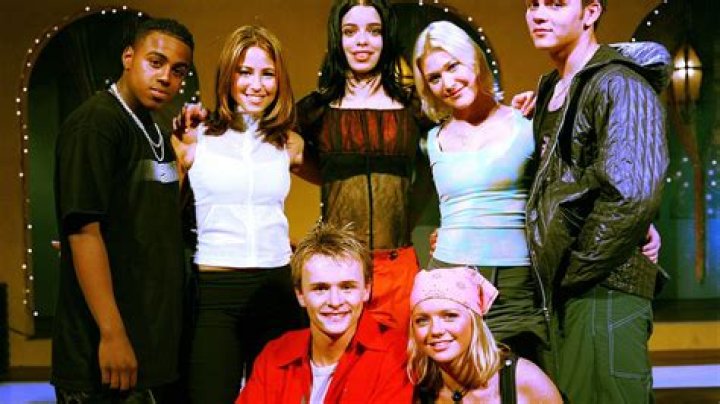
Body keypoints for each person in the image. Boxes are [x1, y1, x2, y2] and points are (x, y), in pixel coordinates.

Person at [412, 20, 662, 372]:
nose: (447, 83)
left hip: (519, 281)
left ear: (474, 61)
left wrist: (638, 222)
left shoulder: (528, 121)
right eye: (434, 77)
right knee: (457, 387)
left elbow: (573, 180)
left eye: (453, 66)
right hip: (451, 279)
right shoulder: (431, 141)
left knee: (525, 382)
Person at [524, 0, 669, 402]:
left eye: (555, 4)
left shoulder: (619, 83)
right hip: (568, 291)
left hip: (604, 288)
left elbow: (631, 195)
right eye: (532, 4)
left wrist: (572, 269)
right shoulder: (552, 89)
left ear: (590, 12)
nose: (538, 14)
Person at [52, 18, 193, 403]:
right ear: (129, 57)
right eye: (156, 62)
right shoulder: (96, 124)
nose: (166, 77)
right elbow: (83, 232)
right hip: (103, 358)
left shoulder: (155, 130)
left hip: (150, 349)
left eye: (178, 71)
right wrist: (112, 334)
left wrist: (184, 162)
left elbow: (157, 210)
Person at [171, 25, 306, 404]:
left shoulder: (290, 143)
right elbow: (156, 205)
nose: (256, 84)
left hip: (275, 287)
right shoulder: (195, 137)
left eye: (267, 74)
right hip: (215, 291)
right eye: (244, 72)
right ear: (227, 76)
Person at [293, 0, 431, 331]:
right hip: (336, 270)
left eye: (374, 31)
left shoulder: (414, 108)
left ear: (386, 38)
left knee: (399, 360)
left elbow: (462, 139)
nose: (362, 41)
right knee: (341, 361)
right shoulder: (316, 109)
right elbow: (273, 144)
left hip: (398, 266)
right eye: (350, 31)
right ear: (338, 39)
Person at [236, 222, 413, 403]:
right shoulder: (275, 354)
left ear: (366, 289)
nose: (335, 302)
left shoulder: (395, 355)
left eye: (347, 287)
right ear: (300, 294)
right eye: (320, 288)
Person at [408, 267, 562, 403]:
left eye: (450, 316)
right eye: (422, 320)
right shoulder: (422, 389)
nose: (435, 330)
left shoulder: (524, 380)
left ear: (475, 322)